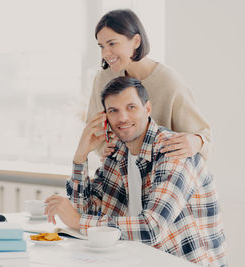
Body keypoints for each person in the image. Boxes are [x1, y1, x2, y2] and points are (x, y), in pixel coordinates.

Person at [45, 77, 226, 266]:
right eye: (113, 110)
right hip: (139, 259)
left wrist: (78, 221)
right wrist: (80, 157)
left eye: (131, 107)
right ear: (105, 117)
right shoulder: (117, 152)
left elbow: (152, 228)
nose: (122, 118)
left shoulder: (173, 151)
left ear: (147, 109)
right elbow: (86, 211)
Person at [87, 9, 212, 161]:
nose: (105, 53)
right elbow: (94, 130)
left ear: (136, 41)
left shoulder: (169, 82)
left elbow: (203, 136)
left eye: (112, 43)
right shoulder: (103, 78)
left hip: (161, 175)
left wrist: (196, 141)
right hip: (121, 176)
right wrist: (104, 149)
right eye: (101, 46)